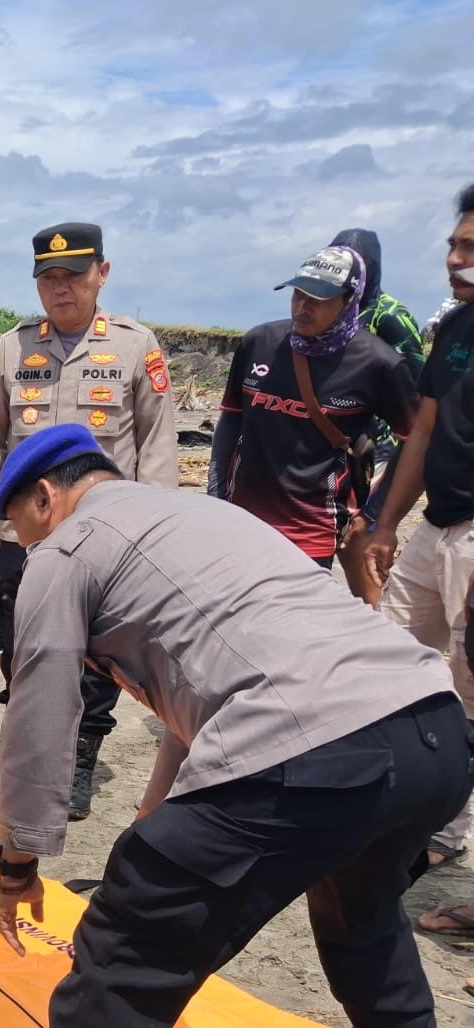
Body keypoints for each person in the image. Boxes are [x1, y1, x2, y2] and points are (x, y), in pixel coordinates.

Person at [0, 426, 469, 1028]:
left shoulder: (66, 552)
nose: (22, 541)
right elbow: (199, 704)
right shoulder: (204, 518)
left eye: (19, 524)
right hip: (430, 731)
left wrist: (19, 857)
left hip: (309, 748)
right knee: (361, 907)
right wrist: (154, 826)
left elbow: (40, 713)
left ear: (46, 496)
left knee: (127, 940)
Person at [0, 222, 177, 819]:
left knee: (98, 650)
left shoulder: (134, 346)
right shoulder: (12, 348)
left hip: (107, 531)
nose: (61, 289)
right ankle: (31, 757)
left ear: (102, 273)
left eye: (73, 276)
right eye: (49, 279)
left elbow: (156, 442)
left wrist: (156, 526)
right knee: (20, 642)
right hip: (24, 531)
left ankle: (78, 761)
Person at [365, 182, 474, 877]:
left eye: (469, 249)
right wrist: (386, 523)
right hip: (437, 527)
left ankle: (451, 835)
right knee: (383, 659)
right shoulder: (455, 329)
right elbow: (424, 429)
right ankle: (387, 801)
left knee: (467, 690)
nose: (453, 259)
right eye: (453, 245)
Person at [207, 244, 418, 575]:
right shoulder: (259, 342)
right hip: (241, 520)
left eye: (317, 300)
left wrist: (374, 514)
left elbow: (414, 443)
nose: (302, 307)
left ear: (349, 301)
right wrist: (215, 497)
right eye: (297, 295)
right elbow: (231, 422)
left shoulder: (379, 364)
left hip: (311, 533)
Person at [329, 229, 426, 604]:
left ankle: (375, 619)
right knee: (339, 534)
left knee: (357, 537)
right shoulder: (336, 310)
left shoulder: (390, 316)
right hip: (339, 444)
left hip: (380, 445)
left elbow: (417, 389)